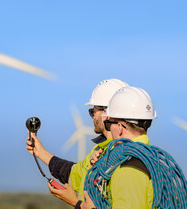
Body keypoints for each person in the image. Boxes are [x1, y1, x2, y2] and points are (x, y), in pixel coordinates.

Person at [67, 86, 187, 209]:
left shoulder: (128, 170)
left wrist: (82, 206)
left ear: (119, 127)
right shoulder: (158, 162)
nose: (108, 129)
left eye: (108, 124)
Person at [26, 79, 128, 207]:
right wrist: (40, 152)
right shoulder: (100, 151)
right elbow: (74, 174)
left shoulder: (125, 158)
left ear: (106, 113)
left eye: (93, 111)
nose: (92, 117)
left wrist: (76, 203)